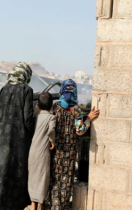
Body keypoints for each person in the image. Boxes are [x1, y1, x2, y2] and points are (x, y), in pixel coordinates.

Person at [50, 79, 100, 210]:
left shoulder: (55, 108)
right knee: (66, 183)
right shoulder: (77, 110)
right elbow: (80, 131)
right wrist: (88, 118)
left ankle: (55, 206)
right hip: (70, 153)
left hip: (57, 152)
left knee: (55, 181)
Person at [0, 62, 34, 210]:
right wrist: (33, 133)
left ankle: (1, 204)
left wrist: (6, 120)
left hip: (5, 139)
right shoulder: (26, 90)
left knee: (4, 171)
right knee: (19, 171)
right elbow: (28, 118)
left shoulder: (3, 89)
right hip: (21, 140)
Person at [28, 93, 56, 210]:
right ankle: (40, 205)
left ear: (38, 105)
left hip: (32, 150)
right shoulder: (51, 117)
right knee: (43, 176)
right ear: (51, 106)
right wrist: (52, 141)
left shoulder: (36, 116)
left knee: (32, 175)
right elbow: (51, 130)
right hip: (43, 151)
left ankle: (33, 203)